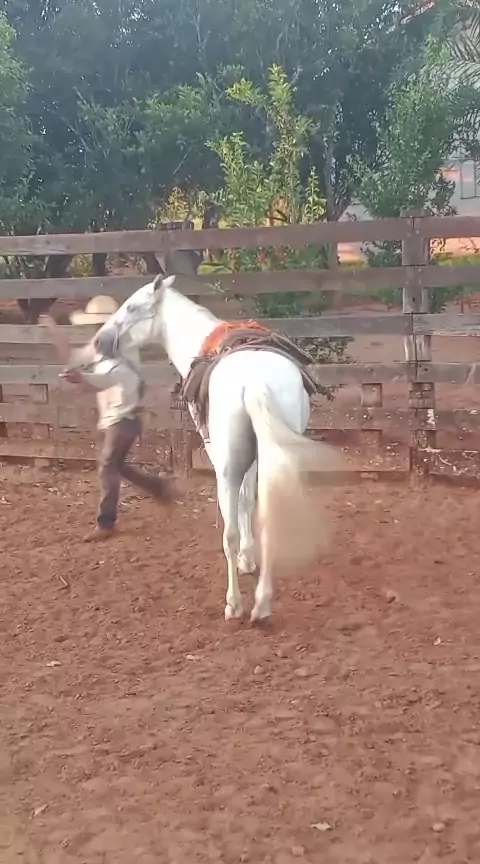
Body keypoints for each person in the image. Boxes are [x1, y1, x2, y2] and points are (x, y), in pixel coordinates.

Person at [63, 295, 174, 541]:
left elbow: (108, 378)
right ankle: (157, 487)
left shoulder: (115, 355)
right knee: (116, 464)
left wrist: (83, 378)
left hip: (121, 419)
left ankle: (106, 523)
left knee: (107, 466)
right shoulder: (116, 349)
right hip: (121, 417)